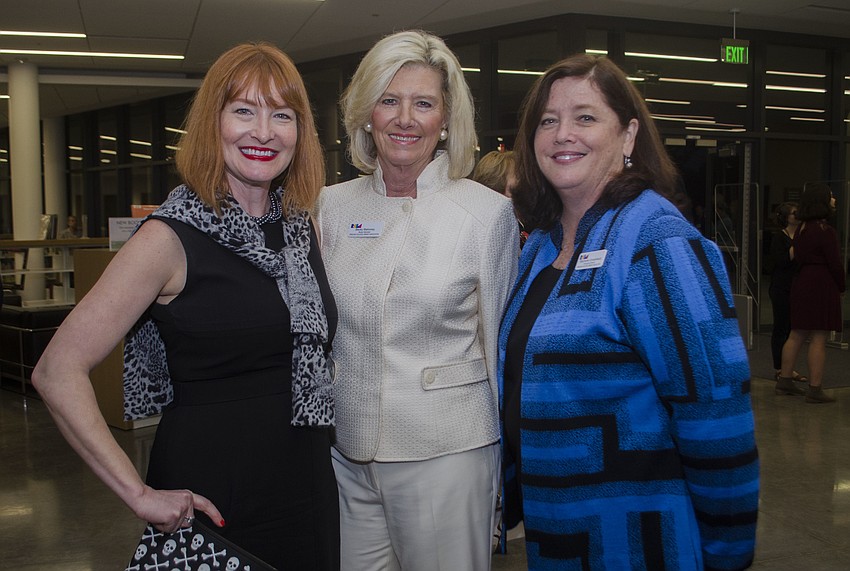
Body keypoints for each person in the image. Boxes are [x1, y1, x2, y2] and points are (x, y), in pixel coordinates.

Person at [32, 42, 339, 570]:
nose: (263, 131)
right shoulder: (168, 239)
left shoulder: (300, 231)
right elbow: (57, 371)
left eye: (280, 115)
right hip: (213, 501)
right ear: (212, 125)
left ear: (299, 132)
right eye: (243, 110)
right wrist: (138, 493)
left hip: (306, 487)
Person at [498, 54, 759, 570]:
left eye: (585, 117)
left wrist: (727, 555)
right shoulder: (542, 245)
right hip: (557, 535)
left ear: (629, 135)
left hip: (639, 544)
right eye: (548, 121)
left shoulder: (656, 241)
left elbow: (716, 413)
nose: (562, 134)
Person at [315, 30, 519, 570]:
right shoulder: (331, 208)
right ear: (366, 113)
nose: (405, 118)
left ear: (446, 119)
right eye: (389, 100)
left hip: (447, 451)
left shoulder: (486, 214)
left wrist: (505, 470)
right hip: (348, 452)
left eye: (423, 103)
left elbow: (500, 349)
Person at [779, 183, 845, 403]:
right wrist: (842, 286)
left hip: (802, 281)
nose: (834, 200)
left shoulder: (802, 229)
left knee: (796, 333)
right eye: (831, 197)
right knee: (819, 336)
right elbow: (835, 264)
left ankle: (785, 379)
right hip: (821, 283)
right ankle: (815, 389)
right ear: (822, 202)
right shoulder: (826, 231)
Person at [768, 202, 807, 392]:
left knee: (793, 329)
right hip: (780, 287)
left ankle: (788, 368)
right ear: (786, 217)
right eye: (793, 213)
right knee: (781, 327)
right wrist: (795, 247)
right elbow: (781, 262)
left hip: (796, 287)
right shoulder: (779, 238)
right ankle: (779, 367)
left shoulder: (801, 235)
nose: (797, 215)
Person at [472, 150, 528, 248]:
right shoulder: (491, 230)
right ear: (496, 183)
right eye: (518, 177)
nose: (525, 183)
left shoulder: (518, 220)